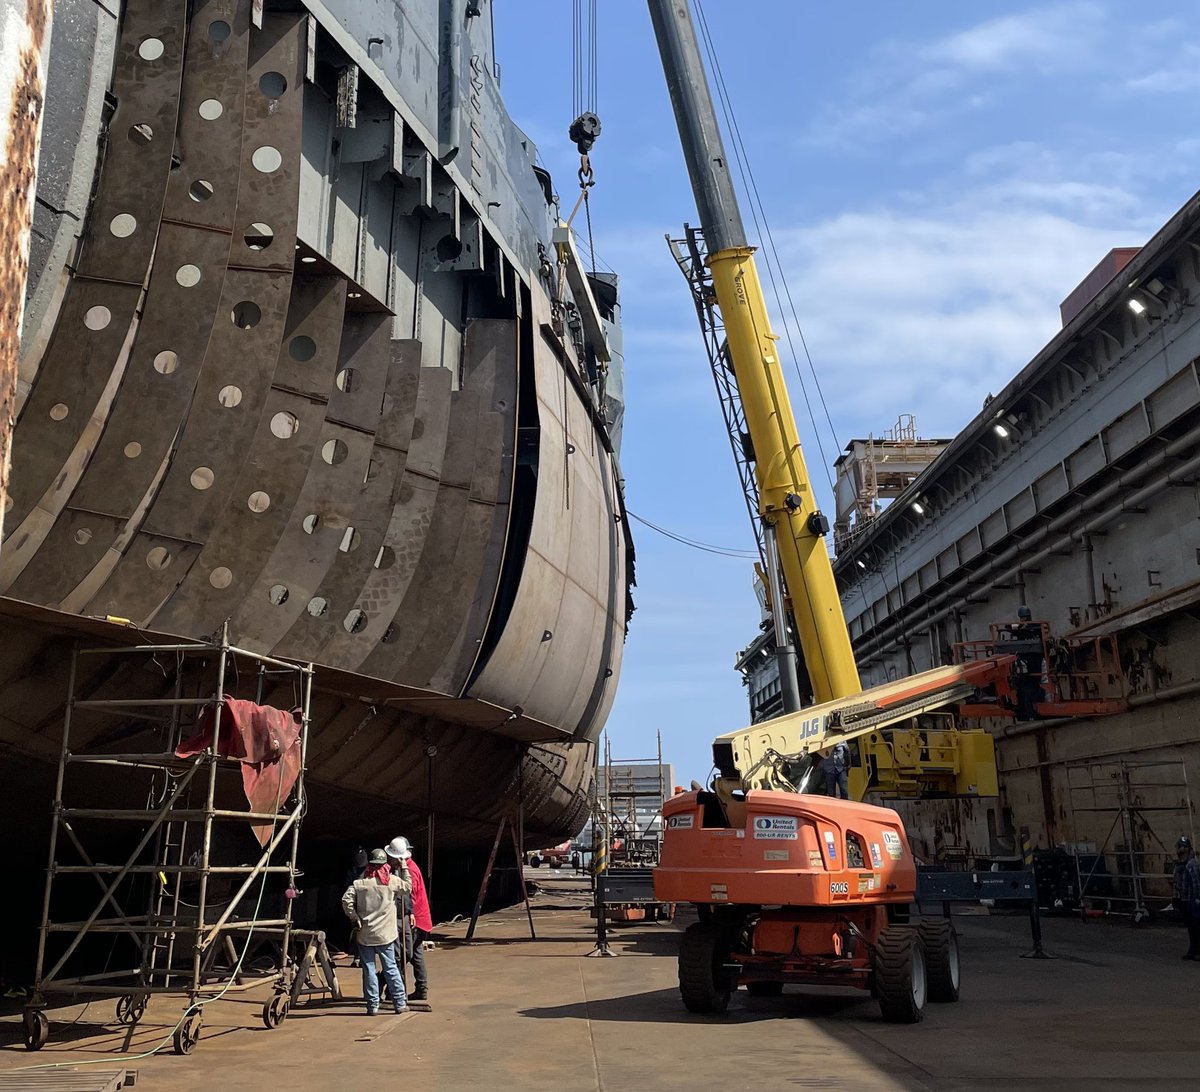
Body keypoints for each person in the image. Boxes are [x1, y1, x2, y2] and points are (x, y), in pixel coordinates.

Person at [341, 848, 408, 1015]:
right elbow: (408, 888)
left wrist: (354, 918)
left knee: (369, 969)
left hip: (366, 934)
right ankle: (399, 1003)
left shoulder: (360, 884)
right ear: (384, 865)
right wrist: (404, 867)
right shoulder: (392, 881)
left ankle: (372, 1006)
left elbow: (345, 900)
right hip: (386, 935)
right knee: (390, 967)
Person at [386, 836, 431, 1001]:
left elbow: (408, 896)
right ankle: (421, 988)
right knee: (416, 954)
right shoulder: (410, 866)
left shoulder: (409, 871)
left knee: (405, 954)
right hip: (420, 918)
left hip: (414, 919)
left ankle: (392, 988)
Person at [1172, 835, 1200, 960]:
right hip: (1184, 900)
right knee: (1191, 927)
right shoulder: (1179, 865)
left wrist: (1197, 898)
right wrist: (1176, 898)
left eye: (1182, 847)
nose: (1180, 850)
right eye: (1179, 847)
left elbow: (1196, 883)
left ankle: (1197, 951)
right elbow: (1177, 882)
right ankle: (1192, 950)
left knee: (1196, 927)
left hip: (1192, 900)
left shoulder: (1192, 864)